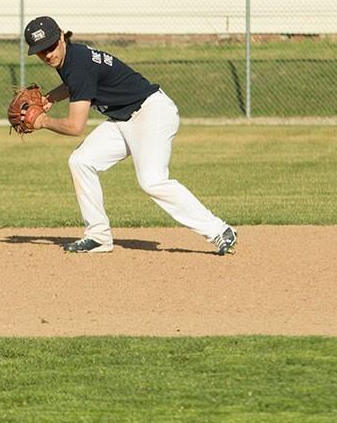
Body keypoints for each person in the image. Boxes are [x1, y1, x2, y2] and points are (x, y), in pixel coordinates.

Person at [22, 15, 237, 255]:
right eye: (41, 51)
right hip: (123, 117)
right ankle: (98, 236)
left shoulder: (76, 65)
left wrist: (42, 122)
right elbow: (81, 82)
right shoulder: (73, 57)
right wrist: (51, 97)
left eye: (51, 46)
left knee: (152, 180)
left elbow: (75, 126)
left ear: (62, 36)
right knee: (81, 161)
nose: (48, 54)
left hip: (151, 114)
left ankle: (219, 230)